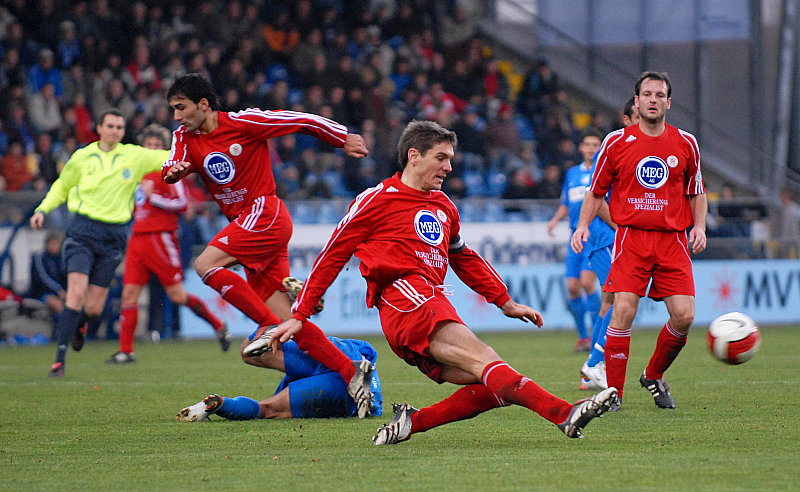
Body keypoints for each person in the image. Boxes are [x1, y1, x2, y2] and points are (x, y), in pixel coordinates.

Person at [265, 120, 617, 445]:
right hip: (405, 297)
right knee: (487, 362)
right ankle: (564, 413)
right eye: (441, 158)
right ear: (414, 156)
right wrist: (301, 313)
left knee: (494, 382)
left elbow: (463, 257)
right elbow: (333, 254)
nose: (449, 167)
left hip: (425, 302)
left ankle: (412, 422)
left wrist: (505, 301)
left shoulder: (444, 207)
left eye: (450, 159)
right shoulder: (376, 199)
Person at [162, 74, 375, 418]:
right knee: (290, 322)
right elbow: (172, 160)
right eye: (173, 109)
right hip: (249, 228)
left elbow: (297, 119)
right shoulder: (184, 136)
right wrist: (173, 171)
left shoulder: (244, 122)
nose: (176, 115)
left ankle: (270, 325)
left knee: (205, 264)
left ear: (203, 104)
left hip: (265, 213)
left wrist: (341, 137)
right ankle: (352, 373)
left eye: (181, 107)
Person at [571, 71, 707, 410]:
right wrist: (582, 225)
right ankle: (613, 394)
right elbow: (596, 191)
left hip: (673, 241)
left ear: (668, 103)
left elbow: (697, 190)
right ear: (637, 101)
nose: (653, 100)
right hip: (631, 239)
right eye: (647, 94)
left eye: (659, 95)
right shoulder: (616, 142)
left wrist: (700, 226)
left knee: (684, 316)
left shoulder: (686, 143)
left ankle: (653, 375)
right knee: (623, 310)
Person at [30, 109, 169, 378]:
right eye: (110, 126)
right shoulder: (82, 157)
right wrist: (42, 210)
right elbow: (62, 186)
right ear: (99, 128)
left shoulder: (135, 156)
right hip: (82, 231)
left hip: (113, 236)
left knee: (93, 307)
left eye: (119, 127)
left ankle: (80, 322)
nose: (115, 131)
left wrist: (202, 144)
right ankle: (59, 361)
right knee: (76, 293)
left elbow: (169, 157)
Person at [107, 124, 230, 364]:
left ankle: (218, 325)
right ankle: (126, 350)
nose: (152, 149)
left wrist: (153, 197)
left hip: (160, 237)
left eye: (157, 145)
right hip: (137, 238)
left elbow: (183, 204)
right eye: (149, 145)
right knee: (129, 294)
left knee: (176, 295)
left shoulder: (169, 170)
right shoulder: (137, 172)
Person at [576, 97, 640, 392]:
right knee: (618, 299)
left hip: (613, 238)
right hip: (606, 238)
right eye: (638, 116)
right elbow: (596, 196)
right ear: (627, 119)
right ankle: (594, 363)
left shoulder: (640, 150)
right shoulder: (615, 148)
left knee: (610, 300)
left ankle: (591, 368)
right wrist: (620, 227)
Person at [177, 336, 383, 422]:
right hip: (355, 372)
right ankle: (221, 404)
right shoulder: (372, 378)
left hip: (330, 351)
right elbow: (375, 407)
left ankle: (268, 322)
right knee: (267, 409)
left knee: (250, 352)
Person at [546, 131, 603, 352]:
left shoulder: (603, 170)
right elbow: (566, 203)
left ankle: (597, 335)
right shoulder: (572, 173)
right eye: (587, 144)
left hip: (594, 236)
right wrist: (555, 220)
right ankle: (582, 337)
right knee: (572, 287)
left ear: (600, 148)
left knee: (588, 284)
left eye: (595, 144)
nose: (591, 148)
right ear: (580, 148)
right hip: (574, 237)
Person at [26, 231, 67, 333]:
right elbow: (43, 278)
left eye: (55, 244)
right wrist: (59, 291)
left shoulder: (62, 259)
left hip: (62, 293)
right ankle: (59, 334)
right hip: (41, 294)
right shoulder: (40, 258)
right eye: (51, 244)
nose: (53, 247)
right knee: (57, 305)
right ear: (46, 244)